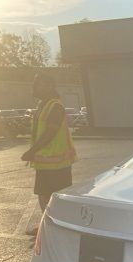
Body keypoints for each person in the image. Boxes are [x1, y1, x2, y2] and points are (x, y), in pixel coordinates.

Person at [21, 73, 77, 232]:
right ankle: (47, 227)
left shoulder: (55, 106)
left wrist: (32, 150)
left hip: (57, 162)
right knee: (44, 194)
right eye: (35, 83)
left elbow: (50, 132)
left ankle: (56, 229)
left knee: (54, 197)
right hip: (46, 162)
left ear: (49, 86)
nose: (35, 87)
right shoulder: (43, 106)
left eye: (39, 84)